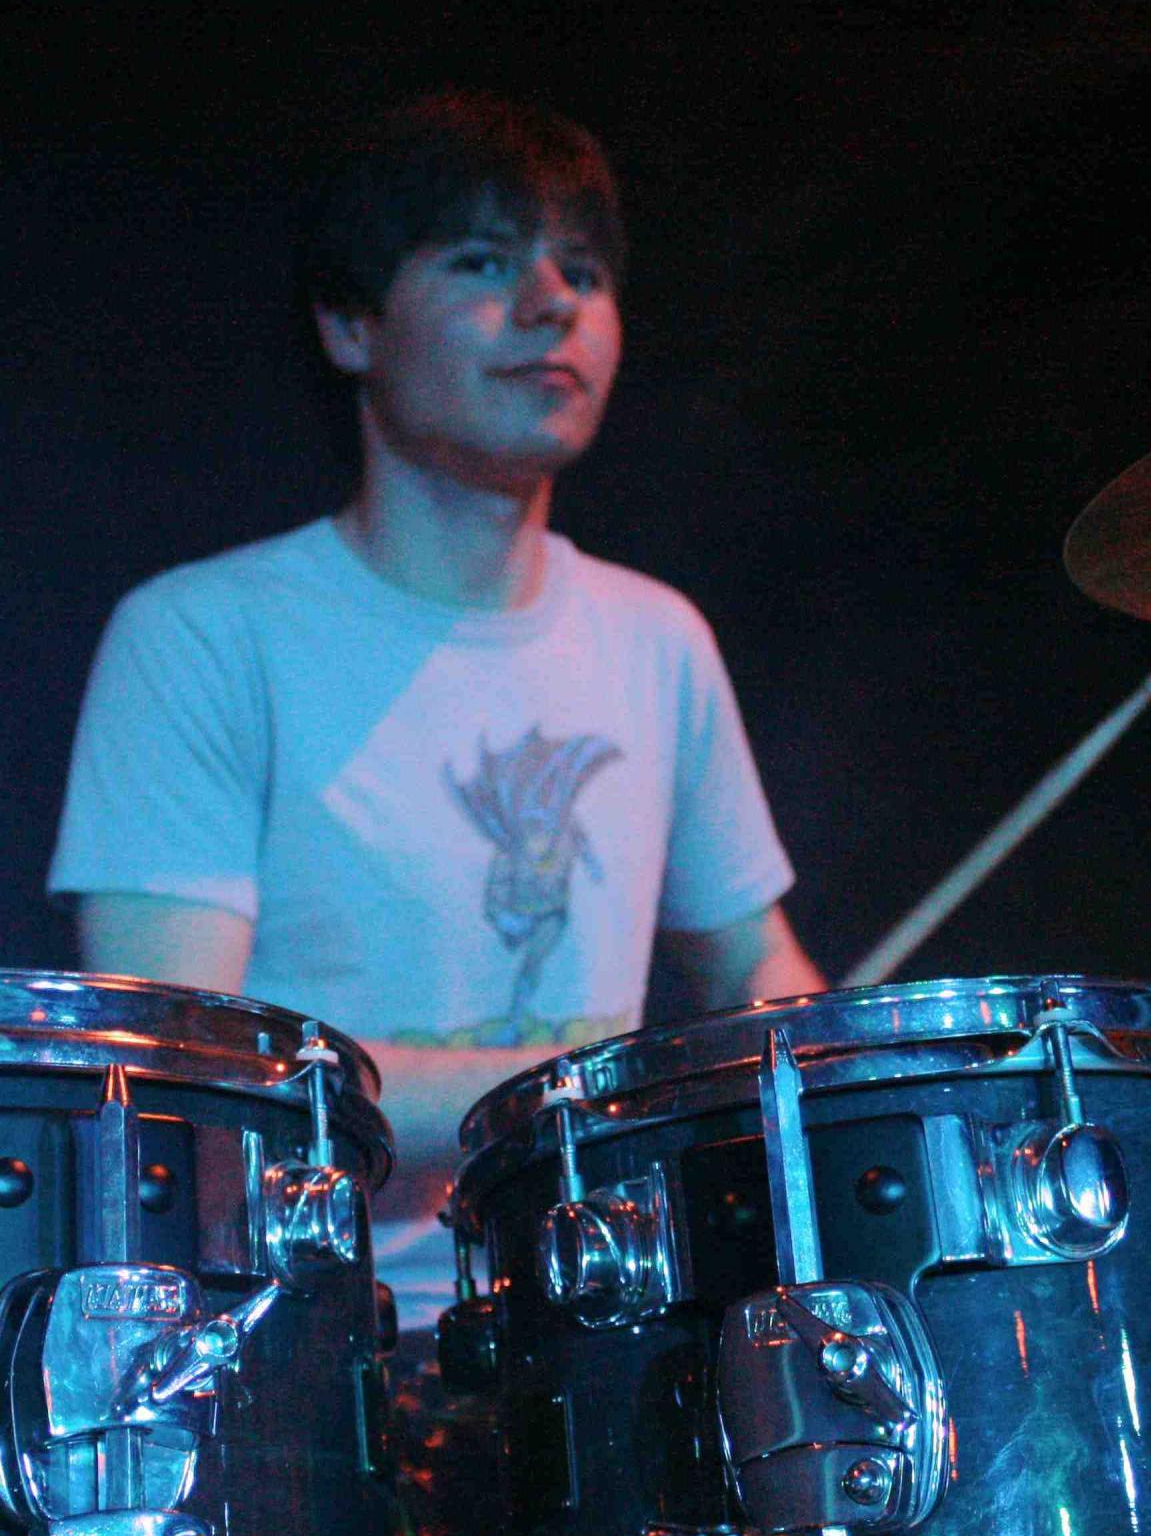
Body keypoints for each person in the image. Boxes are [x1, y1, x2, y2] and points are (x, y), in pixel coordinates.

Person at [48, 91, 824, 1330]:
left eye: (583, 271)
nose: (553, 303)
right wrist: (586, 1097)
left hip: (610, 1330)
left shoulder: (658, 636)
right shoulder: (204, 635)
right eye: (483, 261)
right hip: (310, 1346)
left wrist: (865, 1078)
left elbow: (755, 966)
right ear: (350, 324)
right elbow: (180, 1078)